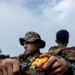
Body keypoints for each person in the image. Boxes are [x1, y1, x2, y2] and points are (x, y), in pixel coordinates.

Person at [0, 31, 74, 75]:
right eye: (24, 43)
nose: (25, 46)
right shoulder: (18, 59)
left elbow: (69, 66)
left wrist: (67, 68)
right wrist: (4, 62)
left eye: (28, 42)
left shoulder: (49, 58)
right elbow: (6, 63)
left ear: (38, 43)